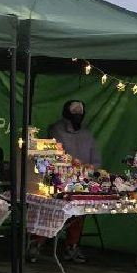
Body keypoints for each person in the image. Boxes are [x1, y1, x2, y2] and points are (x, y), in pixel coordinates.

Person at [42, 99, 101, 262]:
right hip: (57, 180)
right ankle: (35, 244)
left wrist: (88, 168)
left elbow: (96, 160)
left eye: (79, 113)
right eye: (73, 113)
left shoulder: (87, 135)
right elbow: (52, 156)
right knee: (49, 212)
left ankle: (72, 246)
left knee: (78, 214)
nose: (77, 116)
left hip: (81, 183)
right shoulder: (56, 130)